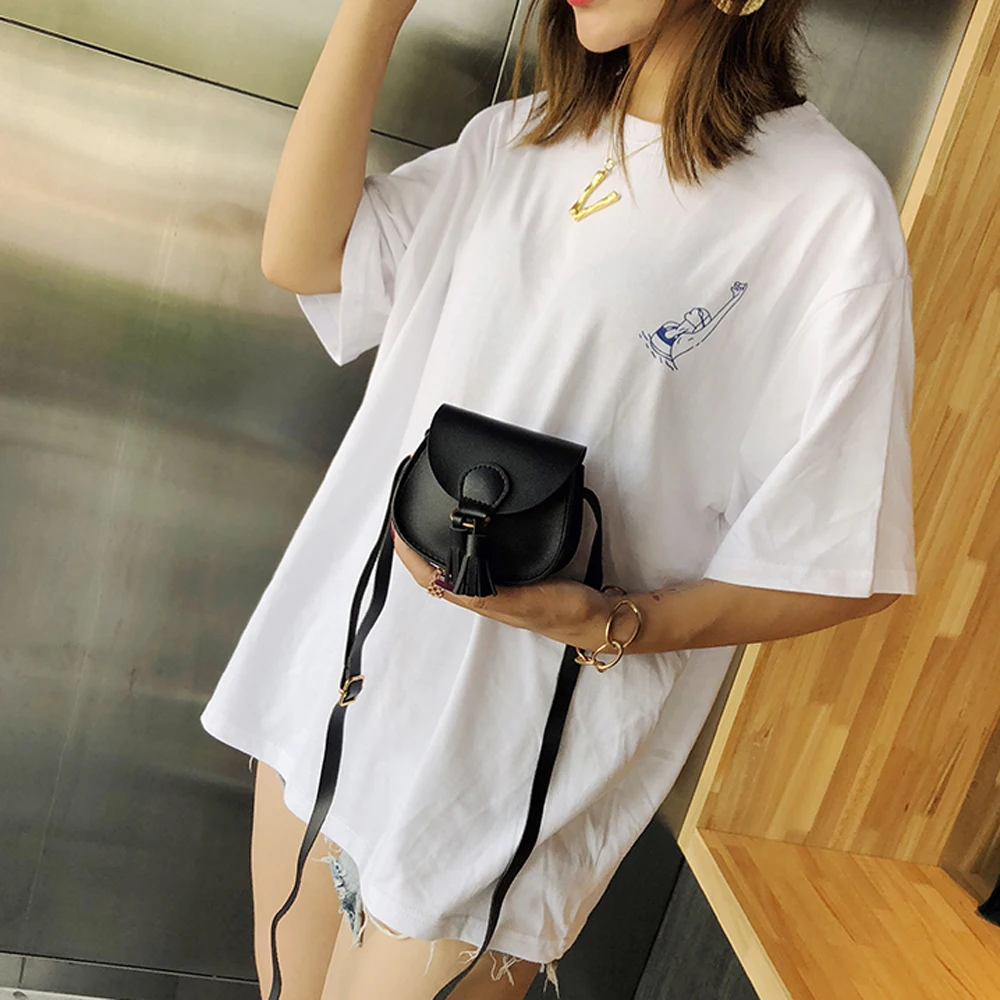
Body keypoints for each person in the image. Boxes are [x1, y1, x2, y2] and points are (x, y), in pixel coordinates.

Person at [200, 0, 918, 997]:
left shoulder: (826, 211)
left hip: (506, 771)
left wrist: (615, 622)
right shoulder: (517, 136)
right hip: (344, 683)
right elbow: (306, 257)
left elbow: (844, 558)